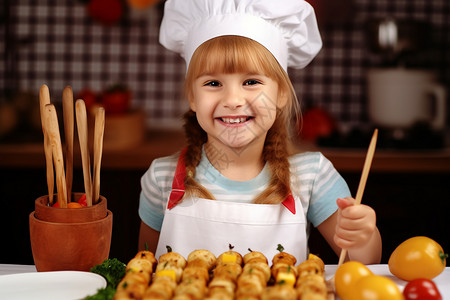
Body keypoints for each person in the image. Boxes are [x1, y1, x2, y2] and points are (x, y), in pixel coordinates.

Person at [138, 0, 382, 264]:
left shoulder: (313, 176)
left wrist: (361, 236)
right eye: (213, 83)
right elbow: (143, 267)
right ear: (192, 98)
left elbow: (363, 264)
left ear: (281, 94)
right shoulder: (161, 179)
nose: (232, 99)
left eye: (251, 82)